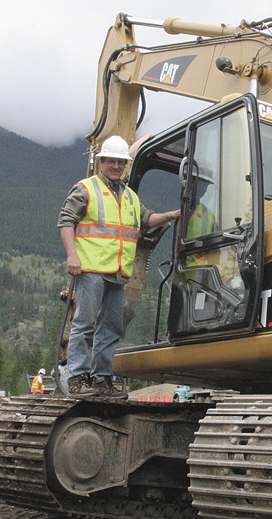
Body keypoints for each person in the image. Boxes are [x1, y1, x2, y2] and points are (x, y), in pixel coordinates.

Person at [57, 135, 180, 398]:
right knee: (85, 324)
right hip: (91, 268)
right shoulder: (85, 189)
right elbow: (66, 221)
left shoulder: (130, 197)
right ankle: (77, 378)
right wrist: (72, 256)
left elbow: (147, 220)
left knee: (111, 327)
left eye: (120, 162)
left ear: (125, 164)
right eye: (111, 161)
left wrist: (171, 215)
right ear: (102, 162)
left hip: (118, 273)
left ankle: (101, 379)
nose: (116, 166)